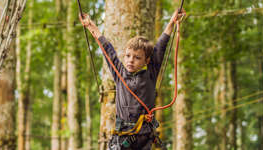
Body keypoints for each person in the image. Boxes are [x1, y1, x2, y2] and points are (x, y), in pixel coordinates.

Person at [79, 9, 185, 150]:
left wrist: (172, 22)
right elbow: (108, 50)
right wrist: (91, 26)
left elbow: (161, 46)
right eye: (128, 56)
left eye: (137, 57)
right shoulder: (119, 73)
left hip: (144, 138)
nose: (130, 60)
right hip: (122, 137)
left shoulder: (150, 74)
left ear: (146, 61)